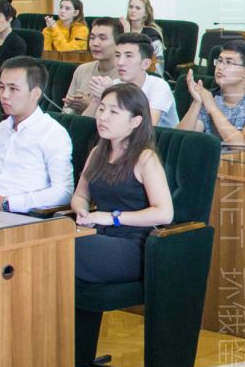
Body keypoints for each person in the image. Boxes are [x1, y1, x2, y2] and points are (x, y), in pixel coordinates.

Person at [71, 83, 176, 296]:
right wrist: (82, 210)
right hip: (98, 232)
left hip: (133, 243)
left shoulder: (145, 158)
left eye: (114, 112)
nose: (103, 117)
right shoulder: (97, 153)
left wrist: (112, 218)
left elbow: (164, 213)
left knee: (67, 247)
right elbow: (81, 195)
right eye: (101, 109)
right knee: (49, 239)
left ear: (135, 121)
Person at [0, 58, 73, 213]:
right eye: (2, 87)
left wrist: (7, 203)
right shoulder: (2, 127)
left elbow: (63, 193)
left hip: (24, 217)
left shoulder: (53, 133)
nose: (4, 95)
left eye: (13, 89)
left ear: (36, 93)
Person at [179, 39, 245, 151]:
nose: (220, 67)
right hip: (209, 164)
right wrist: (197, 102)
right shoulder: (210, 97)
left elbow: (243, 146)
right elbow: (181, 140)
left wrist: (211, 107)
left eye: (229, 62)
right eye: (219, 61)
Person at [111, 33, 178, 126]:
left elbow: (147, 127)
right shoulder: (114, 85)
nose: (120, 62)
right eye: (117, 55)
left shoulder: (159, 86)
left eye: (129, 56)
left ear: (146, 64)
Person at [62, 19, 123, 114]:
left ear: (118, 43)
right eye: (92, 38)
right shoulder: (82, 69)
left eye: (102, 38)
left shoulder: (124, 75)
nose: (95, 43)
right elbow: (65, 111)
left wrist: (89, 106)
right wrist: (71, 107)